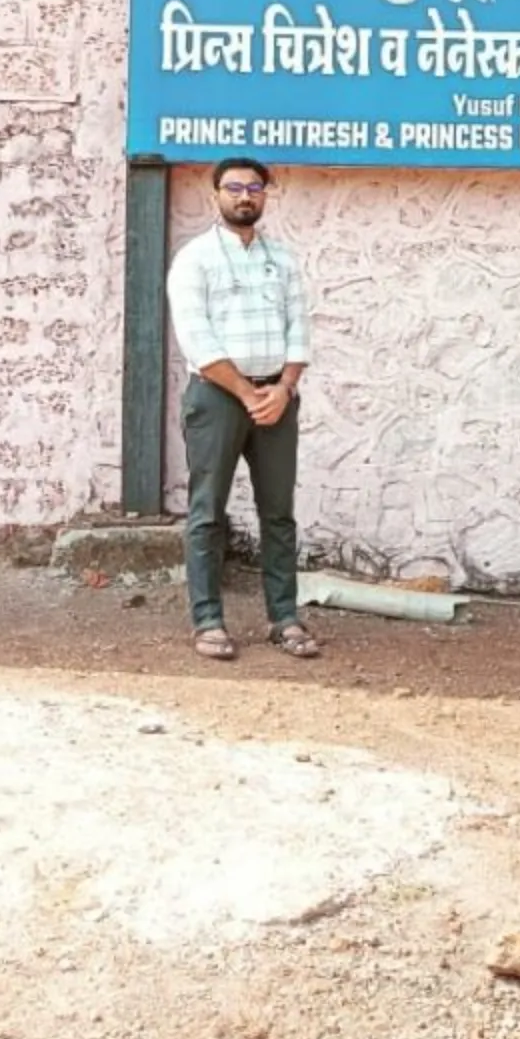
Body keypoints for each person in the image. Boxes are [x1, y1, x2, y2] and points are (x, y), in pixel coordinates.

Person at [165, 156, 319, 662]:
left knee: (278, 514)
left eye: (254, 187)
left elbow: (299, 327)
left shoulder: (283, 259)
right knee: (208, 511)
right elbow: (197, 337)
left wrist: (284, 387)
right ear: (216, 196)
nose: (244, 196)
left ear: (266, 194)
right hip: (217, 398)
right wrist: (248, 393)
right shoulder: (195, 259)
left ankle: (285, 618)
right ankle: (208, 620)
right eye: (233, 188)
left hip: (277, 399)